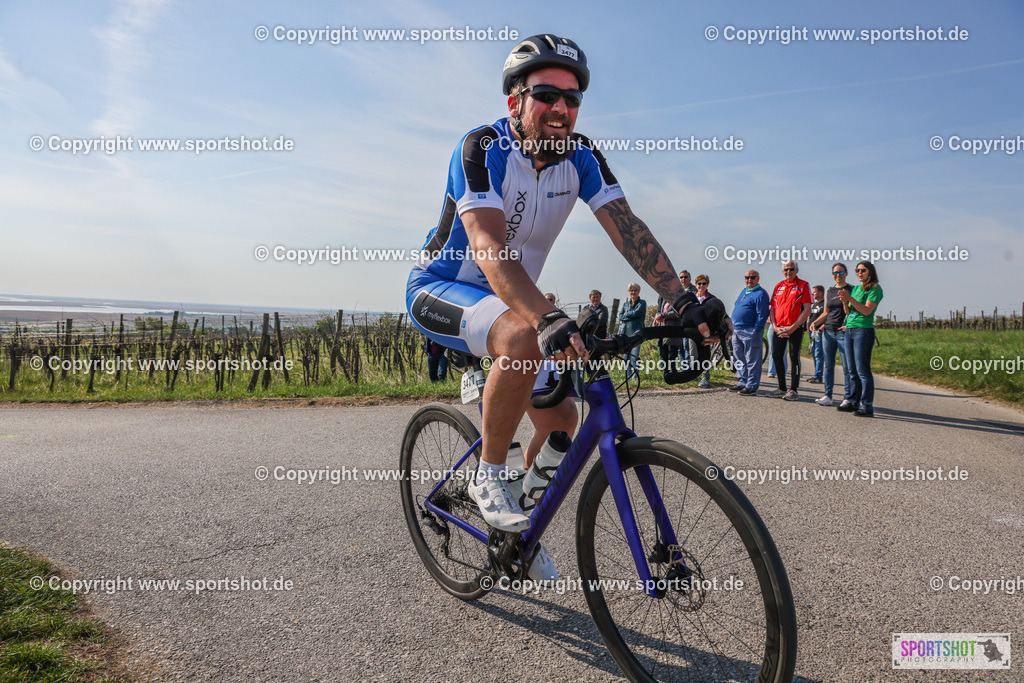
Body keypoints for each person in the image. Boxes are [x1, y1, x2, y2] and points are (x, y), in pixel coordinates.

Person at [405, 34, 710, 581]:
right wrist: (544, 315)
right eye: (547, 95)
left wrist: (684, 299)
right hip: (442, 287)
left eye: (572, 99)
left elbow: (628, 229)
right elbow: (488, 246)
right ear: (515, 102)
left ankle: (514, 528)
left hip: (511, 300)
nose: (561, 108)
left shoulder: (583, 157)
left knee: (564, 419)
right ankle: (488, 474)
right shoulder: (481, 148)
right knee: (522, 338)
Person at [838, 261, 883, 416]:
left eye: (863, 270)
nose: (859, 273)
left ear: (870, 271)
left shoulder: (875, 288)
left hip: (863, 330)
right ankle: (852, 401)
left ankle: (867, 406)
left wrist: (850, 299)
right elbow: (848, 312)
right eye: (857, 270)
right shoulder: (856, 289)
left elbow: (866, 310)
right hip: (850, 329)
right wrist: (845, 302)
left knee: (862, 370)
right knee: (851, 370)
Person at [809, 264, 853, 406]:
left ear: (846, 273)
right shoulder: (829, 290)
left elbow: (852, 312)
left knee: (846, 367)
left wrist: (848, 324)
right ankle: (828, 396)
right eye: (835, 272)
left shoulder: (852, 289)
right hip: (828, 332)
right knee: (828, 366)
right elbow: (826, 313)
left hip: (843, 332)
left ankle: (848, 397)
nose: (838, 275)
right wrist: (815, 322)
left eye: (841, 272)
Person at [768, 260, 812, 401]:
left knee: (794, 357)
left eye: (791, 269)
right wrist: (775, 327)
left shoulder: (803, 285)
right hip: (779, 328)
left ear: (796, 270)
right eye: (786, 269)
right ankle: (782, 388)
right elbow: (772, 309)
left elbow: (807, 310)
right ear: (783, 271)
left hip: (795, 328)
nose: (788, 272)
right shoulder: (778, 286)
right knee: (776, 356)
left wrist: (793, 327)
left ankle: (793, 390)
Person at [730, 270, 769, 395]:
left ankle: (751, 386)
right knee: (739, 358)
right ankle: (742, 382)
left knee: (752, 360)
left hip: (750, 330)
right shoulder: (744, 291)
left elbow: (762, 314)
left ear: (758, 278)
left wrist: (756, 330)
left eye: (752, 277)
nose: (749, 280)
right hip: (737, 330)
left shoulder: (761, 293)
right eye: (747, 277)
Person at [693, 275, 732, 387]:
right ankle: (693, 375)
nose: (701, 286)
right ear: (696, 285)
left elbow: (722, 313)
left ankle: (705, 378)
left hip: (707, 331)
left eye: (704, 283)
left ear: (707, 285)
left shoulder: (712, 298)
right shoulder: (691, 298)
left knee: (705, 355)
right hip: (693, 330)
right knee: (693, 354)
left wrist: (730, 327)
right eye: (699, 283)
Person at [617, 283, 646, 380]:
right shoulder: (625, 304)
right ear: (629, 292)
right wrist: (630, 314)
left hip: (636, 333)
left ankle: (635, 377)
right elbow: (620, 316)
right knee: (626, 357)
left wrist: (627, 314)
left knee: (634, 356)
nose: (633, 292)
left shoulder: (642, 303)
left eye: (635, 290)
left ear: (638, 291)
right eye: (631, 290)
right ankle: (628, 376)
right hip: (625, 334)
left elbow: (637, 313)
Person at [807, 286, 825, 383]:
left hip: (819, 332)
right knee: (814, 352)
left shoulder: (824, 304)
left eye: (814, 292)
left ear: (820, 293)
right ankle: (816, 374)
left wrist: (821, 328)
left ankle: (818, 376)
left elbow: (827, 317)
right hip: (812, 332)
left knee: (818, 353)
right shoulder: (814, 304)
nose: (812, 294)